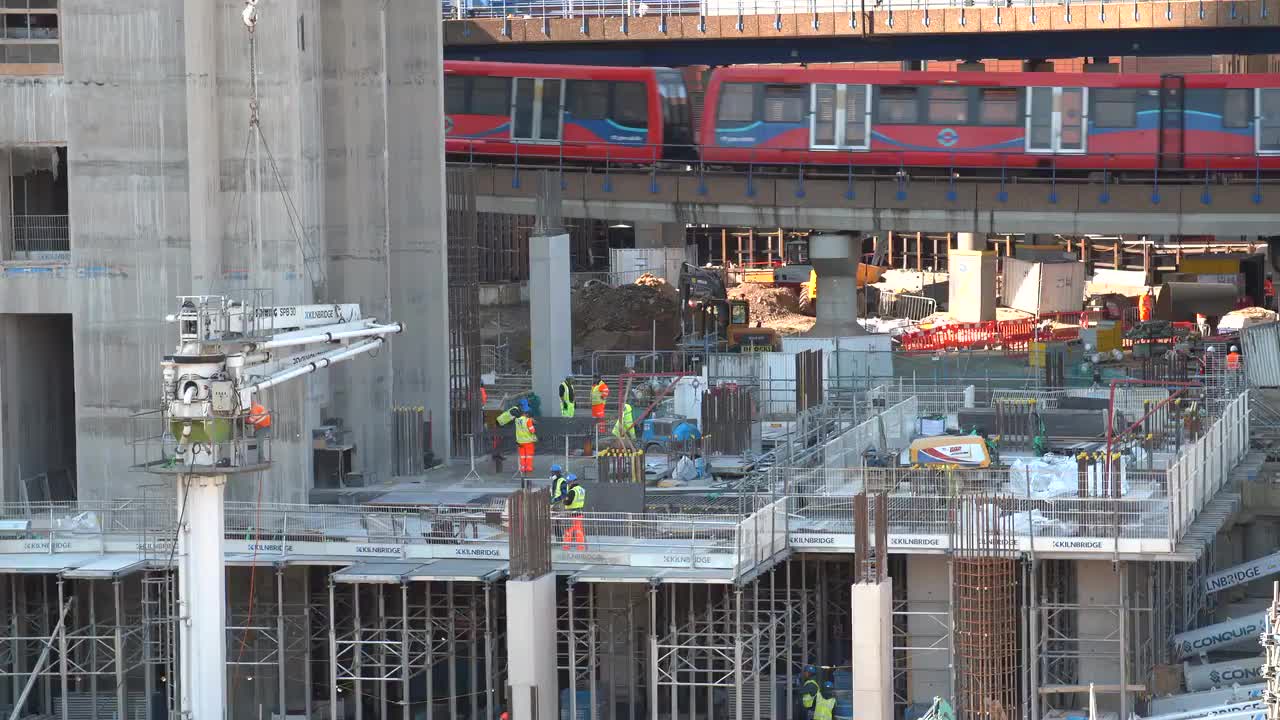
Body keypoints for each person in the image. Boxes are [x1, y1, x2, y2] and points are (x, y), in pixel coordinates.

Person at [562, 477, 587, 551]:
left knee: (568, 531)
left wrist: (564, 501)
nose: (568, 484)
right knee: (579, 531)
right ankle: (581, 547)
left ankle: (566, 547)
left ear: (572, 482)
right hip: (579, 512)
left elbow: (568, 502)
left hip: (571, 513)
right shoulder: (581, 489)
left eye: (569, 482)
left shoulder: (572, 491)